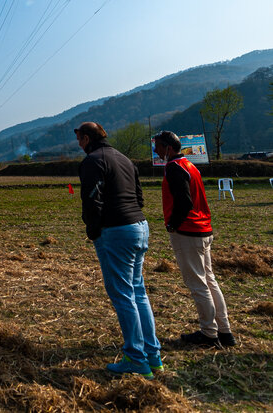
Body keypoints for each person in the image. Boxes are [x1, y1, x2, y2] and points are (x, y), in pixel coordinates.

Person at [76, 121, 162, 379]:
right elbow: (139, 196)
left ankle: (136, 359)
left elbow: (92, 199)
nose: (79, 144)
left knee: (123, 295)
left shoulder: (92, 161)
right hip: (139, 225)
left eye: (79, 138)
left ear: (88, 138)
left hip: (116, 231)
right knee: (138, 292)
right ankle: (152, 355)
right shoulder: (125, 159)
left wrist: (94, 229)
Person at [153, 131, 235, 348]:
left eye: (158, 146)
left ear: (168, 148)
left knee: (198, 284)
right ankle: (224, 331)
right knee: (209, 280)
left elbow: (184, 202)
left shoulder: (173, 167)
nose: (156, 151)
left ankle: (209, 334)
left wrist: (173, 224)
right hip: (203, 228)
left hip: (188, 231)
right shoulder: (189, 165)